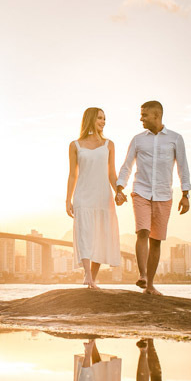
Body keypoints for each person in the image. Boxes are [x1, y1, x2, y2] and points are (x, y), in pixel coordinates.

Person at [114, 100, 191, 295]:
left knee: (156, 240)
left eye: (144, 115)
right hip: (141, 191)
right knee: (143, 231)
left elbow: (183, 167)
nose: (141, 118)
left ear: (156, 115)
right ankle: (143, 275)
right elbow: (127, 165)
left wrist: (185, 194)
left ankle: (149, 286)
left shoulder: (175, 138)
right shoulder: (138, 139)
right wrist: (119, 188)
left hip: (164, 195)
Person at [65, 107, 122, 288]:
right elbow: (72, 174)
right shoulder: (75, 145)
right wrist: (68, 200)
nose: (103, 122)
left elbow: (112, 174)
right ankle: (87, 275)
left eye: (104, 118)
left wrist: (119, 191)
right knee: (85, 234)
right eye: (99, 118)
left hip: (103, 196)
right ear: (90, 119)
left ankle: (92, 278)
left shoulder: (109, 145)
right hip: (83, 195)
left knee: (101, 237)